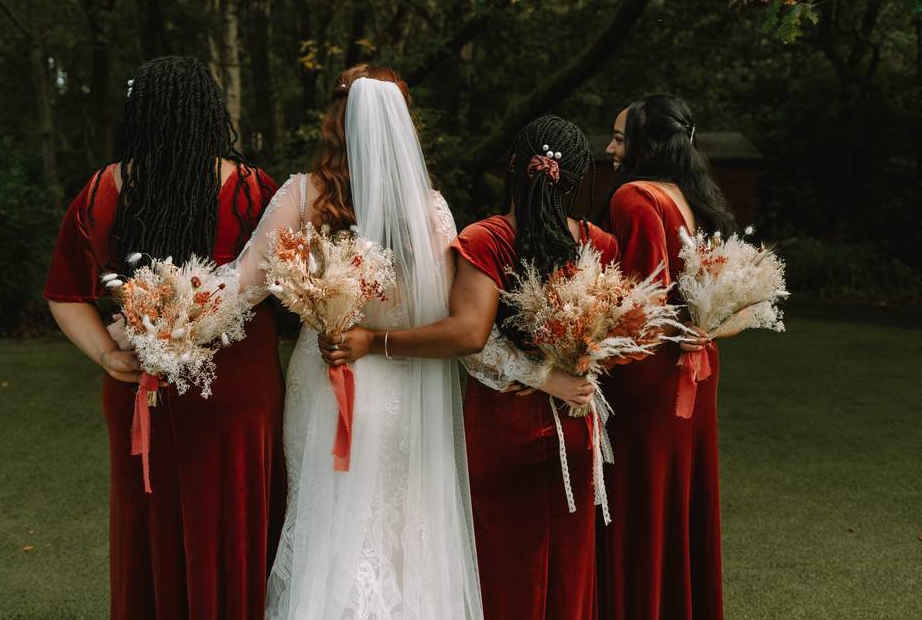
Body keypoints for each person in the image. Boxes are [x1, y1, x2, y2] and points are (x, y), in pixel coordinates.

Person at [320, 115, 619, 620]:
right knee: (571, 565)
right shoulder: (602, 244)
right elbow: (615, 326)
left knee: (501, 563)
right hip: (574, 420)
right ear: (575, 181)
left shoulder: (487, 238)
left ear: (512, 167)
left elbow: (470, 337)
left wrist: (540, 375)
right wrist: (571, 371)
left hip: (504, 423)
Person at [223, 64, 484, 620]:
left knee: (325, 520)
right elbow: (443, 313)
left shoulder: (301, 195)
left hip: (324, 382)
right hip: (400, 386)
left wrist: (163, 317)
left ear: (333, 121)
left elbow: (242, 285)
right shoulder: (429, 208)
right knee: (396, 526)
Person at [43, 56, 285, 619]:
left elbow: (64, 293)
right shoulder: (253, 190)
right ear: (208, 110)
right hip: (236, 385)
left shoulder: (103, 189)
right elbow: (287, 286)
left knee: (146, 525)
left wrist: (107, 353)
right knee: (235, 519)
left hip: (137, 382)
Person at [597, 94, 736, 620]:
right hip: (694, 363)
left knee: (641, 497)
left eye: (618, 137)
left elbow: (642, 297)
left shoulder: (633, 196)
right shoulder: (687, 195)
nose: (610, 148)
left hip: (651, 372)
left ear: (644, 143)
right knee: (680, 494)